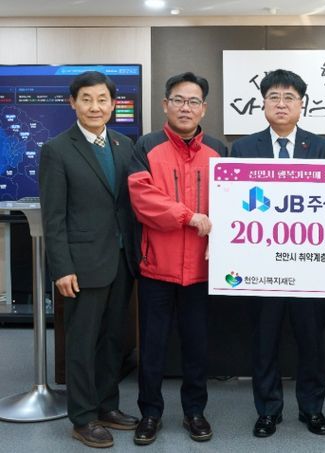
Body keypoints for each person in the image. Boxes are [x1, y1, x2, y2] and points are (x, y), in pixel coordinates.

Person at [230, 69, 325, 438]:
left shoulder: (320, 148)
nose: (281, 104)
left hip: (310, 266)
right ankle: (268, 410)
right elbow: (234, 206)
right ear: (262, 104)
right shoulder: (243, 149)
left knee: (312, 341)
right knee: (264, 342)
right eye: (273, 97)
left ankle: (312, 409)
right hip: (261, 266)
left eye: (289, 97)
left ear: (301, 105)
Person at [40, 71, 139, 448]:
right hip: (81, 265)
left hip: (121, 260)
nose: (95, 106)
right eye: (86, 99)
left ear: (113, 104)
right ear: (73, 103)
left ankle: (106, 406)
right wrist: (62, 267)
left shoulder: (124, 144)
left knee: (113, 340)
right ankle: (82, 417)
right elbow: (53, 216)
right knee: (82, 343)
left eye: (102, 99)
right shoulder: (57, 149)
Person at [128, 72, 226, 445]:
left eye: (193, 101)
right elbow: (142, 199)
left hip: (201, 270)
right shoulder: (146, 146)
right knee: (152, 347)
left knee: (196, 346)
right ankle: (150, 414)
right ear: (165, 104)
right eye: (179, 100)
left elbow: (233, 202)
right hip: (157, 266)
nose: (186, 108)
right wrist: (188, 216)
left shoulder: (218, 150)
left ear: (204, 108)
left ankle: (194, 412)